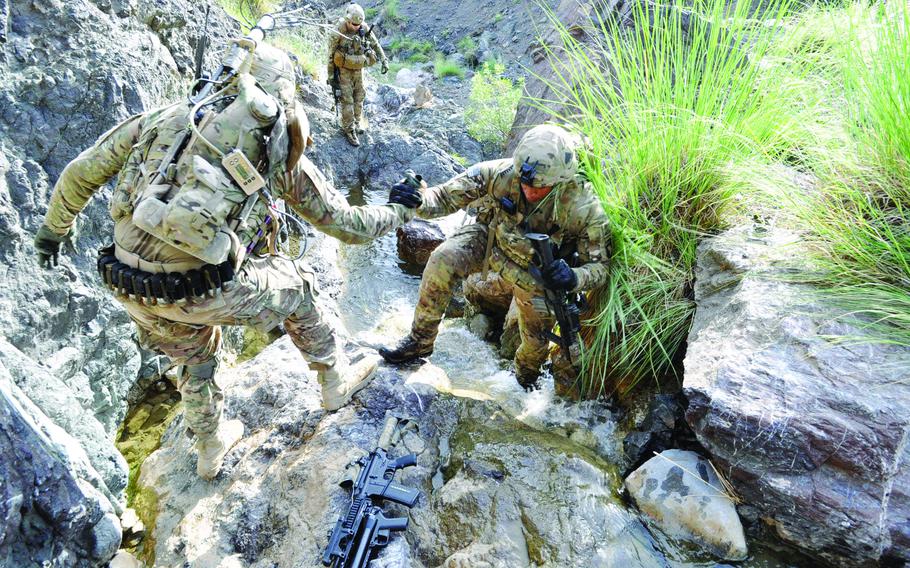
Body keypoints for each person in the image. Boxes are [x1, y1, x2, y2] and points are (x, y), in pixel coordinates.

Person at [33, 41, 417, 480]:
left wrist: (51, 235)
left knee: (194, 352)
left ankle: (210, 448)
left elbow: (81, 173)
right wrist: (402, 208)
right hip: (205, 290)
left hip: (126, 283)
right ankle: (334, 382)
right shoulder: (272, 148)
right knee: (299, 289)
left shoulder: (165, 119)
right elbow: (349, 225)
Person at [379, 124, 612, 391]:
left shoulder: (584, 207)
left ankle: (524, 382)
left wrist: (573, 277)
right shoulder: (497, 173)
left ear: (561, 180)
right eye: (525, 183)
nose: (530, 192)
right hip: (491, 242)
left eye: (540, 187)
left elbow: (599, 267)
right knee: (443, 258)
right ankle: (419, 342)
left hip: (536, 275)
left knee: (535, 345)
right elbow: (444, 197)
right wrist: (416, 200)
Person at [327, 3, 388, 147]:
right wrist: (331, 78)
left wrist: (384, 60)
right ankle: (349, 129)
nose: (357, 27)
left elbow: (375, 44)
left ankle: (356, 122)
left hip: (358, 68)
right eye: (354, 24)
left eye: (359, 24)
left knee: (359, 95)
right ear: (347, 20)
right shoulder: (338, 32)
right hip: (343, 71)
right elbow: (330, 57)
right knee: (347, 99)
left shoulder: (363, 28)